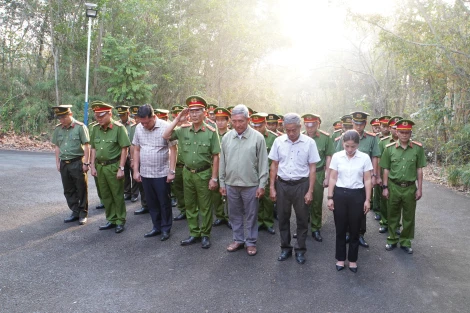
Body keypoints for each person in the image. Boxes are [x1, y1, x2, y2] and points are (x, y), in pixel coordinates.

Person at [162, 95, 221, 249]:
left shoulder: (210, 131)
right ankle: (194, 233)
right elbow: (165, 135)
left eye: (197, 111)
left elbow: (216, 156)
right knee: (190, 205)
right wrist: (178, 119)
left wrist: (214, 178)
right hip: (188, 173)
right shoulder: (182, 130)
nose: (194, 114)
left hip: (204, 173)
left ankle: (205, 234)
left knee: (205, 206)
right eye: (191, 111)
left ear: (205, 113)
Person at [269, 113, 320, 265]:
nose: (291, 133)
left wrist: (310, 190)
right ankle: (285, 248)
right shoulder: (278, 141)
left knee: (302, 219)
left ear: (300, 127)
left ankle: (300, 250)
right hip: (283, 184)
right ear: (284, 128)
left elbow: (312, 168)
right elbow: (274, 165)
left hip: (301, 185)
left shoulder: (309, 143)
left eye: (294, 130)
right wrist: (272, 187)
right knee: (283, 218)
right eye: (288, 130)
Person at [219, 105, 269, 256]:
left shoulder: (258, 138)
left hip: (251, 185)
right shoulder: (227, 137)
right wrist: (222, 183)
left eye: (241, 121)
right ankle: (238, 240)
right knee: (234, 214)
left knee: (251, 215)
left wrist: (262, 185)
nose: (237, 124)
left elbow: (263, 164)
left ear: (248, 120)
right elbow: (223, 162)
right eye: (234, 121)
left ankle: (251, 242)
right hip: (231, 184)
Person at [327, 130, 373, 273]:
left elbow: (367, 179)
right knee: (340, 228)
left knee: (355, 229)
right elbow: (333, 177)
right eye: (347, 146)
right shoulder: (337, 156)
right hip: (340, 194)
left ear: (358, 145)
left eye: (353, 146)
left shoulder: (364, 158)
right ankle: (340, 258)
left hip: (357, 195)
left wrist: (367, 199)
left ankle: (352, 260)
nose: (350, 150)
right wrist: (329, 197)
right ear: (343, 144)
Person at [380, 119, 426, 254]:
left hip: (410, 188)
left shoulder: (417, 148)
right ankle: (392, 239)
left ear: (410, 133)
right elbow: (386, 170)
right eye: (401, 132)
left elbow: (419, 170)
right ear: (397, 132)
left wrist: (420, 189)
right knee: (392, 214)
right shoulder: (389, 149)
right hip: (394, 186)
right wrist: (385, 187)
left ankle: (405, 241)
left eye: (407, 132)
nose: (404, 135)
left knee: (409, 216)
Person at [335, 111, 380, 248]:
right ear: (352, 123)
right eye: (356, 124)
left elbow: (375, 157)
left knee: (362, 208)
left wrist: (374, 176)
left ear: (365, 124)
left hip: (364, 179)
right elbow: (337, 157)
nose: (358, 127)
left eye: (361, 124)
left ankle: (360, 234)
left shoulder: (372, 139)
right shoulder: (344, 138)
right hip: (347, 179)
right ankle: (348, 233)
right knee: (345, 208)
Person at [132, 104, 177, 241]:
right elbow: (137, 149)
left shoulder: (165, 127)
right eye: (142, 122)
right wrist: (135, 170)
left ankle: (165, 228)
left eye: (146, 122)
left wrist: (172, 171)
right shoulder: (139, 128)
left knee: (164, 202)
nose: (144, 125)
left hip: (162, 172)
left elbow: (174, 150)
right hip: (145, 172)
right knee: (151, 202)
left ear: (154, 117)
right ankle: (156, 227)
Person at [89, 101, 131, 234]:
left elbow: (125, 149)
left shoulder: (119, 128)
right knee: (105, 194)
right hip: (100, 166)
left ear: (109, 114)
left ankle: (120, 220)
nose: (99, 119)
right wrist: (92, 165)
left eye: (101, 116)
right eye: (97, 116)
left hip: (113, 166)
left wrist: (121, 168)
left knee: (117, 195)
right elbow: (93, 148)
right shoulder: (95, 128)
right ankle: (111, 219)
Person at [51, 104, 90, 225]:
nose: (61, 120)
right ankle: (75, 211)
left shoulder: (80, 127)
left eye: (63, 117)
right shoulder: (58, 129)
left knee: (81, 188)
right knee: (68, 189)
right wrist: (57, 162)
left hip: (77, 162)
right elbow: (57, 146)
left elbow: (87, 146)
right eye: (59, 118)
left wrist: (86, 162)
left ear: (70, 115)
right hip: (64, 164)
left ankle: (83, 213)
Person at [302, 113, 334, 242]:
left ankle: (315, 228)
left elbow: (328, 156)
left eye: (313, 124)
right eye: (307, 124)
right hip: (303, 174)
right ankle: (302, 228)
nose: (310, 127)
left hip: (319, 173)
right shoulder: (300, 137)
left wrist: (327, 176)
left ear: (317, 124)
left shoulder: (325, 138)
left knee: (316, 201)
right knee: (301, 203)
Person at [249, 112, 277, 235]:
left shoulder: (273, 138)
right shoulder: (249, 136)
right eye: (254, 126)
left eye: (259, 126)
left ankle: (268, 222)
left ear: (265, 124)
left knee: (268, 199)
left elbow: (277, 158)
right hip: (253, 173)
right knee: (256, 198)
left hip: (268, 172)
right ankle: (259, 221)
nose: (256, 129)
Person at [378, 116, 402, 233]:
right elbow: (378, 161)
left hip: (398, 178)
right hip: (385, 176)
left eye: (398, 127)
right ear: (390, 128)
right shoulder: (383, 142)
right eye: (393, 127)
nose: (395, 129)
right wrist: (378, 176)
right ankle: (384, 222)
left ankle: (396, 224)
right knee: (384, 201)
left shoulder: (406, 143)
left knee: (397, 203)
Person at [212, 107, 232, 227]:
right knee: (215, 194)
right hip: (214, 168)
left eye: (222, 120)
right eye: (217, 120)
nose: (219, 122)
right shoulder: (211, 133)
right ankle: (219, 215)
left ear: (228, 121)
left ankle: (229, 217)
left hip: (228, 168)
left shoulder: (232, 135)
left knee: (229, 194)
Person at [129, 105, 149, 215]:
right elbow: (133, 146)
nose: (137, 120)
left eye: (138, 117)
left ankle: (153, 205)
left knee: (151, 186)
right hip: (138, 159)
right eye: (135, 117)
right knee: (141, 184)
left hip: (149, 160)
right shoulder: (134, 128)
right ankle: (145, 205)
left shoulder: (150, 126)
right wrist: (132, 159)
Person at [116, 105, 138, 202]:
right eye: (120, 115)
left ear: (128, 114)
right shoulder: (118, 124)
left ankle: (135, 193)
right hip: (122, 153)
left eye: (123, 115)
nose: (121, 117)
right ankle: (127, 192)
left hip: (132, 153)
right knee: (124, 174)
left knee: (134, 173)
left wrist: (132, 155)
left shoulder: (133, 124)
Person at [170, 105, 188, 221]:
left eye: (183, 116)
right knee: (179, 190)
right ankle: (183, 210)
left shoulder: (190, 129)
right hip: (176, 166)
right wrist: (175, 123)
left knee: (190, 191)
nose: (182, 119)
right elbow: (165, 135)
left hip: (187, 166)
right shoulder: (174, 130)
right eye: (178, 117)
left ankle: (192, 210)